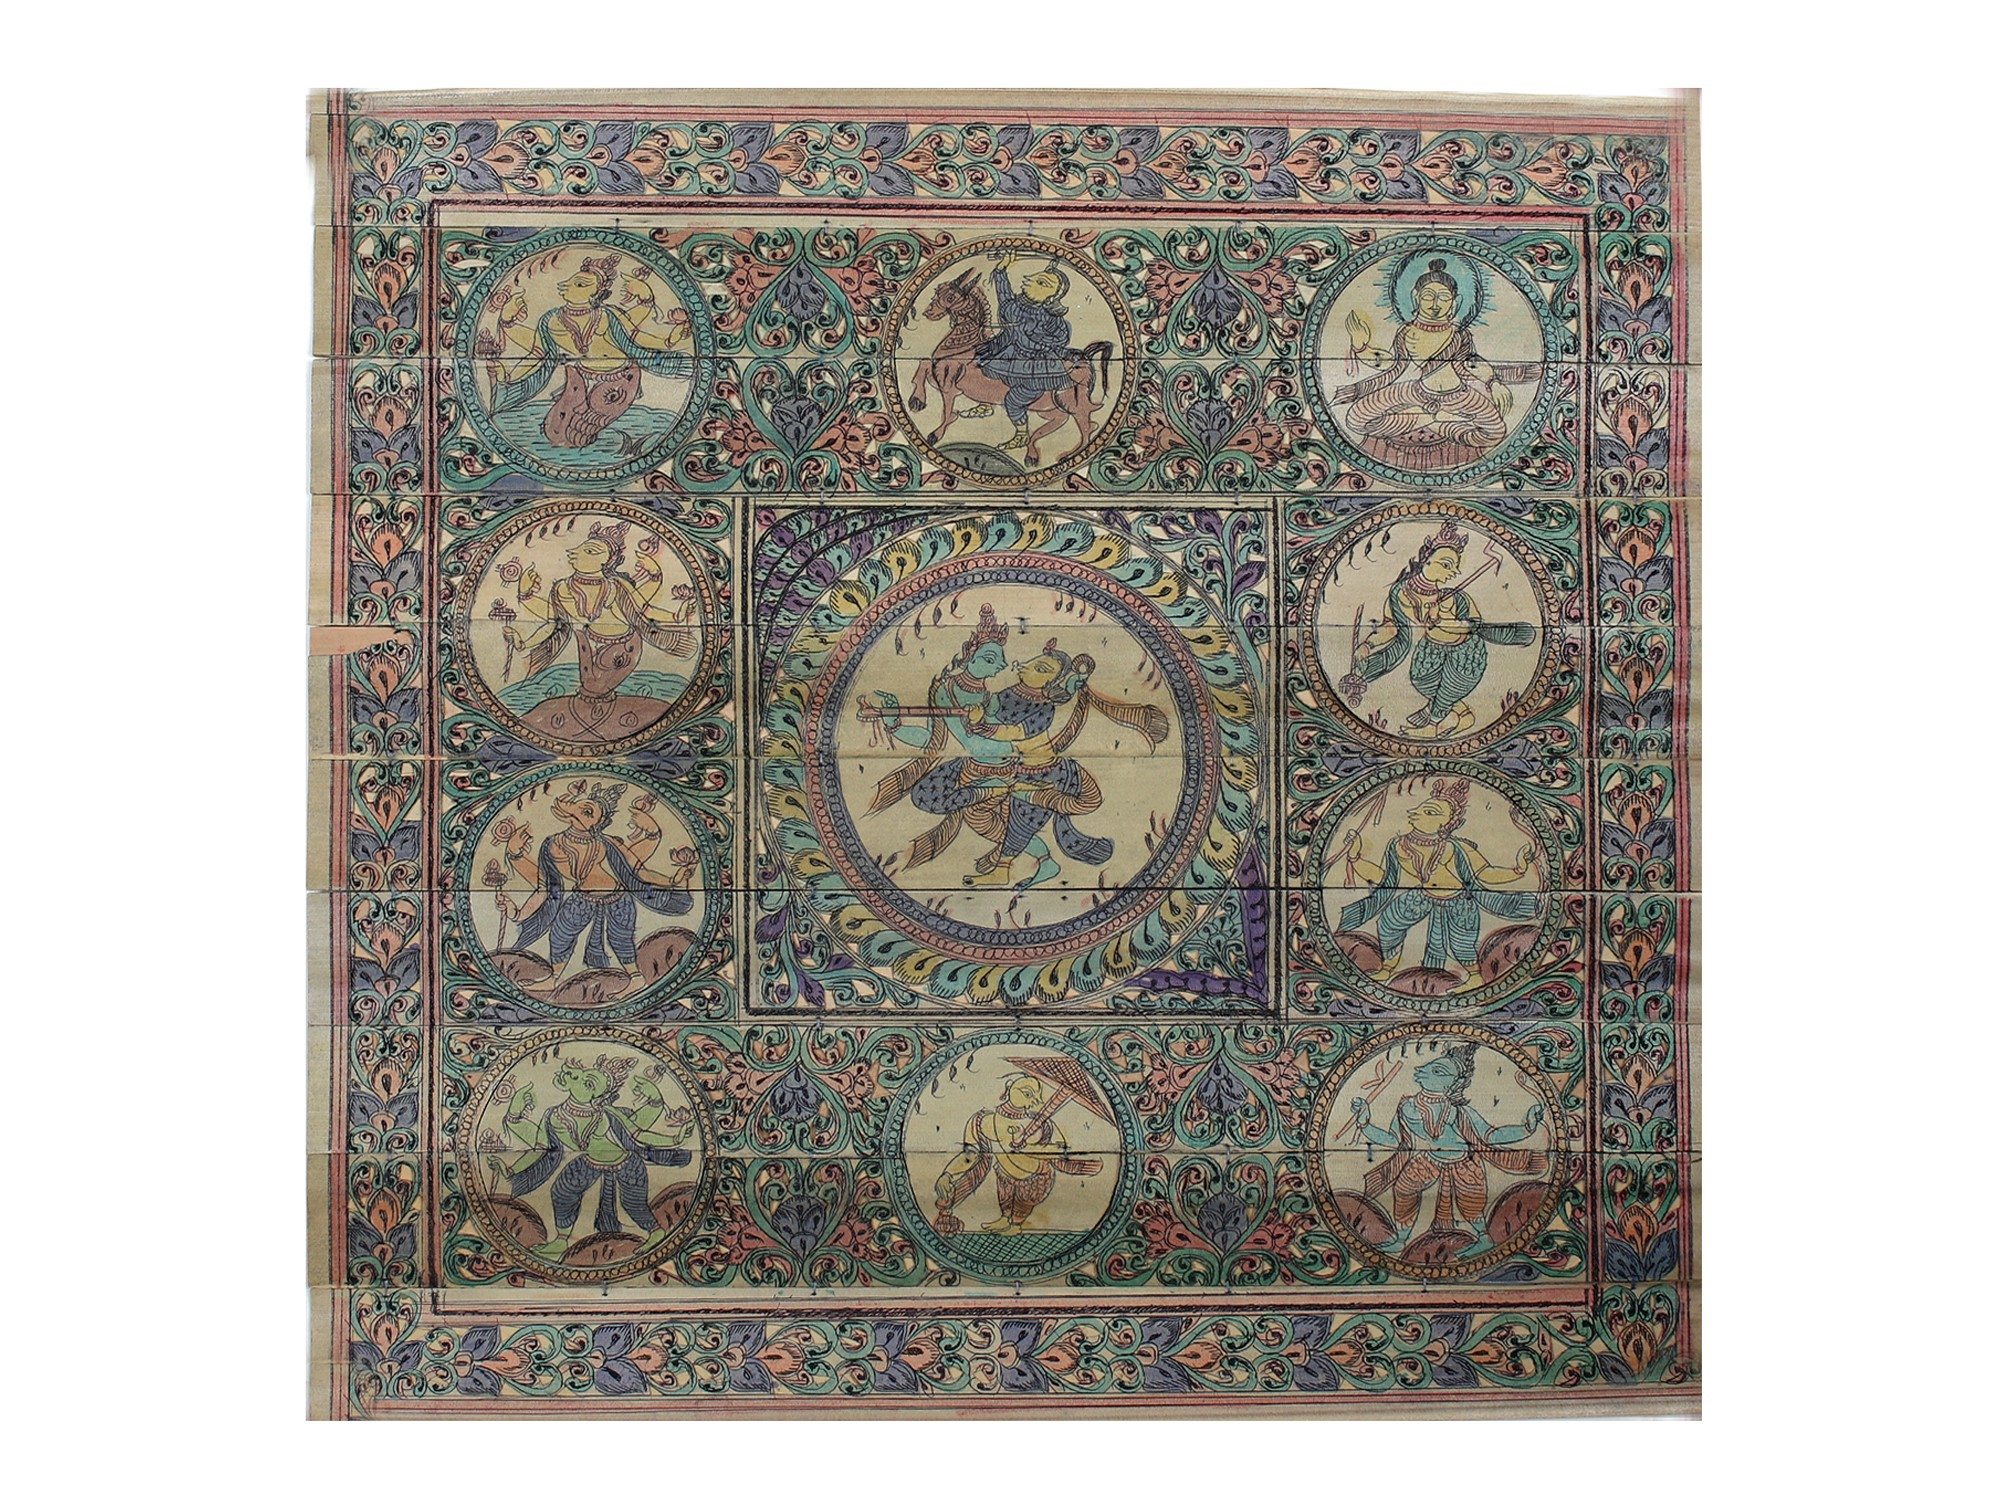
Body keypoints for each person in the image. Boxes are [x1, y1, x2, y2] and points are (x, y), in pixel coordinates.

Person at [864, 622, 1168, 890]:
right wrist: (894, 721)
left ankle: (1014, 857)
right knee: (925, 796)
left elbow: (1012, 735)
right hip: (979, 769)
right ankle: (1038, 854)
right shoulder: (957, 692)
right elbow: (932, 740)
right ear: (969, 654)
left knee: (999, 822)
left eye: (1000, 661)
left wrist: (984, 725)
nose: (1002, 666)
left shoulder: (1001, 700)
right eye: (991, 659)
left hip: (1018, 769)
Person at [1336, 777, 1539, 991]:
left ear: (1445, 824)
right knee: (1389, 922)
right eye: (1422, 809)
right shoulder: (1397, 845)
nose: (1419, 813)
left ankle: (1474, 977)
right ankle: (1387, 968)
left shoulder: (1455, 848)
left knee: (1462, 944)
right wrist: (1355, 857)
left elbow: (1486, 874)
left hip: (1458, 901)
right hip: (1422, 896)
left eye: (1431, 812)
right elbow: (1382, 877)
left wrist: (1518, 869)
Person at [501, 520, 697, 742]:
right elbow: (552, 621)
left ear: (607, 560)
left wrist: (663, 591)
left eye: (591, 551)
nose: (577, 553)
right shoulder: (562, 588)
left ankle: (599, 728)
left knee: (594, 688)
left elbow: (644, 609)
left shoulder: (615, 586)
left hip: (623, 645)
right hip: (586, 641)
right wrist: (525, 601)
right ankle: (590, 728)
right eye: (580, 549)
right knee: (589, 691)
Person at [1338, 520, 1535, 738]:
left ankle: (1433, 724)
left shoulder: (1454, 598)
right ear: (1427, 560)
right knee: (1421, 681)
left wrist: (1445, 622)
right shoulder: (1400, 593)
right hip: (1431, 648)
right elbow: (1392, 627)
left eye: (1455, 566)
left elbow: (1472, 627)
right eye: (1446, 564)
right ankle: (1464, 716)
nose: (1454, 572)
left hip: (1464, 653)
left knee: (1449, 688)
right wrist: (1368, 645)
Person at [490, 1053, 694, 1262]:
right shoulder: (553, 1116)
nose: (578, 1080)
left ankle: (656, 1232)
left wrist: (674, 1138)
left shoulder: (606, 1114)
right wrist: (511, 1157)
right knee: (562, 1192)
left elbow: (639, 1134)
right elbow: (539, 1148)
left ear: (597, 1097)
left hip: (626, 1163)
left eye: (589, 1084)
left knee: (633, 1204)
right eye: (581, 1078)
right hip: (589, 1163)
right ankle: (561, 1240)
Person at [1328, 258, 1526, 471]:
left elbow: (1468, 366)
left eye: (1443, 298)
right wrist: (1361, 354)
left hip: (1458, 395)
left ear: (1455, 302)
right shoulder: (1406, 332)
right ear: (1416, 297)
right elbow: (1394, 368)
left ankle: (1440, 422)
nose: (1435, 305)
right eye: (1428, 296)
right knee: (1356, 419)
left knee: (1495, 432)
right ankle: (1429, 418)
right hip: (1416, 392)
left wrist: (1494, 383)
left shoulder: (1459, 335)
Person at [495, 780, 694, 992]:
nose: (579, 812)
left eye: (589, 812)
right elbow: (545, 888)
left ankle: (635, 978)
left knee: (620, 939)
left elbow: (637, 870)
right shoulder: (551, 844)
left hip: (617, 899)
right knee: (560, 933)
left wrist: (672, 880)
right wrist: (517, 912)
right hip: (582, 899)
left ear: (596, 824)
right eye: (580, 807)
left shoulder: (604, 843)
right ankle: (554, 978)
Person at [1348, 1042, 1546, 1254]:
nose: (1423, 1070)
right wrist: (1364, 1121)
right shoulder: (1406, 1107)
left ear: (1455, 1083)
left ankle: (1484, 1237)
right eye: (1428, 1067)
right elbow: (1392, 1140)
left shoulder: (1458, 1111)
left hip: (1464, 1162)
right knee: (1404, 1189)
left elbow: (1490, 1135)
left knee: (1471, 1204)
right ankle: (1401, 1239)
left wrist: (1526, 1128)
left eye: (1438, 1072)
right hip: (1429, 1158)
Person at [480, 254, 692, 450]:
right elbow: (538, 355)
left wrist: (668, 335)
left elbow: (637, 339)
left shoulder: (607, 316)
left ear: (597, 292)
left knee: (581, 433)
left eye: (580, 284)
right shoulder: (551, 320)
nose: (568, 286)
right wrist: (509, 374)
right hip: (579, 376)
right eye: (571, 282)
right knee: (556, 433)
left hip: (620, 379)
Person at [932, 1073, 1101, 1237]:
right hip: (1005, 1175)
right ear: (1009, 1086)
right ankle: (1005, 1219)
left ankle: (1016, 1225)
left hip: (1035, 1177)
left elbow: (1060, 1149)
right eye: (1026, 1093)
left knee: (1022, 1203)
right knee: (1005, 1197)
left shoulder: (1042, 1124)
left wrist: (1029, 1148)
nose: (1032, 1099)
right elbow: (970, 1155)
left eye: (1034, 1096)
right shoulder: (982, 1121)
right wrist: (948, 1175)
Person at [975, 255, 1074, 451]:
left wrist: (1036, 340)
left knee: (1013, 401)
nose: (1031, 281)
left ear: (1051, 297)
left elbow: (1061, 337)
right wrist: (1001, 270)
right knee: (982, 376)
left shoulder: (1050, 317)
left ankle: (1021, 435)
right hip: (1009, 356)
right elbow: (1003, 293)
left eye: (1042, 283)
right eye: (1035, 278)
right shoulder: (1014, 307)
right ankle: (986, 405)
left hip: (1036, 369)